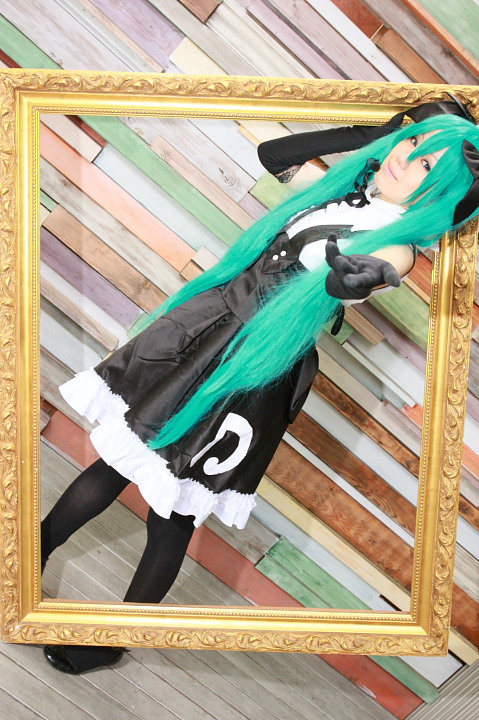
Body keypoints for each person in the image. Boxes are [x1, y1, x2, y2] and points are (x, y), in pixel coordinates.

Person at [41, 99, 479, 674]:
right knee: (116, 462)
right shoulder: (347, 192)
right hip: (207, 336)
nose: (407, 158)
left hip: (250, 374)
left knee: (172, 515)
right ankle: (26, 557)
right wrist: (372, 134)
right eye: (415, 144)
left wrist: (359, 280)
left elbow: (370, 275)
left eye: (428, 166)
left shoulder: (395, 244)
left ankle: (114, 638)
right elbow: (274, 154)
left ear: (444, 193)